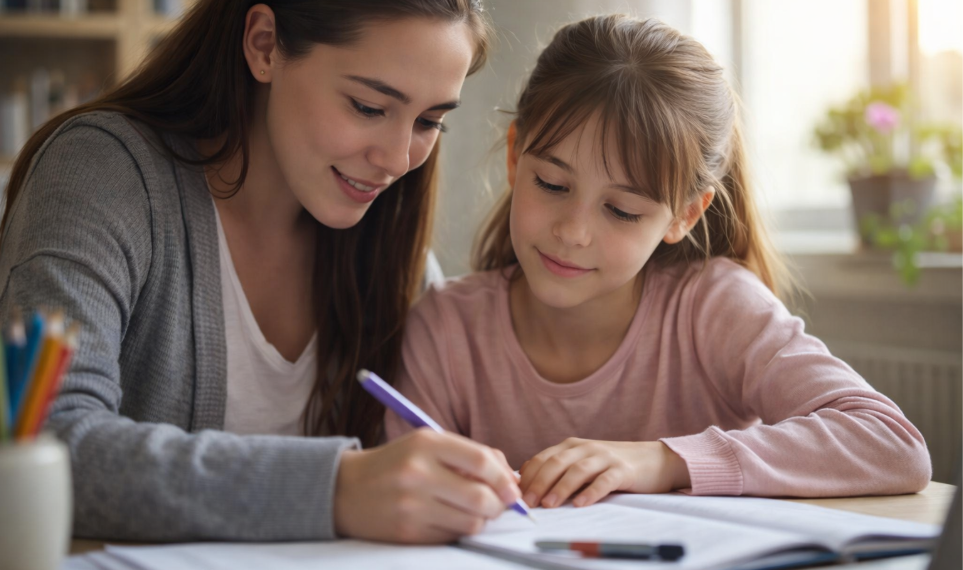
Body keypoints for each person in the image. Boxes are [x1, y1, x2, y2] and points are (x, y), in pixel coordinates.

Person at [0, 0, 522, 544]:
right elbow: (42, 440)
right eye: (368, 107)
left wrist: (587, 460)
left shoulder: (391, 239)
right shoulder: (103, 172)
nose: (397, 160)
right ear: (264, 45)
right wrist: (336, 489)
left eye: (430, 121)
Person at [387, 15, 932, 511]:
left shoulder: (713, 306)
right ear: (515, 155)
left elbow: (892, 445)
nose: (573, 232)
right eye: (551, 184)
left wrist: (662, 460)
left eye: (622, 211)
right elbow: (401, 502)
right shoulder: (446, 328)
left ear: (685, 215)